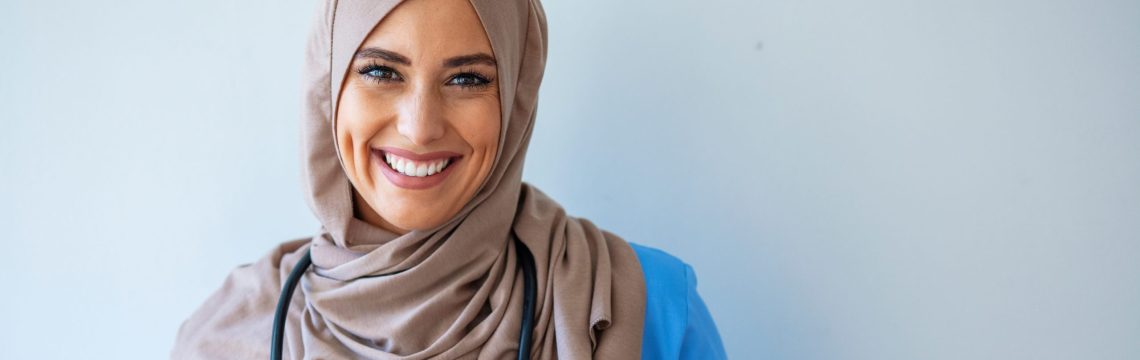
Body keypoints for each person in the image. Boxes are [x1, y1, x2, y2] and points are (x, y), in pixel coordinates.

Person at [171, 0, 726, 358]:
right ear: (328, 89)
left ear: (515, 97)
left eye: (466, 78)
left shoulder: (645, 305)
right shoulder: (231, 333)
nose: (419, 128)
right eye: (380, 72)